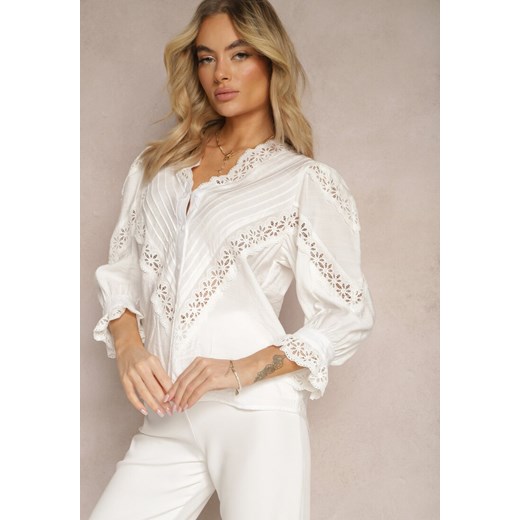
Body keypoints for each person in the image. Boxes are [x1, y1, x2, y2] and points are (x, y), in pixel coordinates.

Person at [89, 0, 375, 518]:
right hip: (168, 415)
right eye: (206, 57)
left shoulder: (302, 181)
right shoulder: (157, 168)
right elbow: (123, 270)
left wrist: (238, 369)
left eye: (239, 54)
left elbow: (346, 315)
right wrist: (129, 346)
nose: (220, 72)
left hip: (256, 416)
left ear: (270, 60)